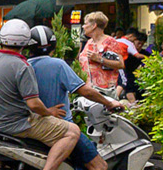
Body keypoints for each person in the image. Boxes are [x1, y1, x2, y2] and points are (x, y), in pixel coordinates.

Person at [0, 20, 94, 170]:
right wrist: (49, 112)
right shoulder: (22, 65)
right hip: (17, 125)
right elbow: (33, 104)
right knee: (72, 131)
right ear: (25, 43)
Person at [24, 26, 126, 170]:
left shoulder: (23, 67)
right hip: (61, 128)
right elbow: (85, 91)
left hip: (32, 128)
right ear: (53, 45)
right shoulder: (58, 65)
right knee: (99, 166)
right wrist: (108, 102)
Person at [78, 12, 127, 98]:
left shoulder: (110, 42)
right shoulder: (89, 42)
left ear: (94, 26)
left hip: (104, 92)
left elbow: (121, 64)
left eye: (85, 24)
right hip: (88, 90)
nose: (83, 26)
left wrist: (100, 59)